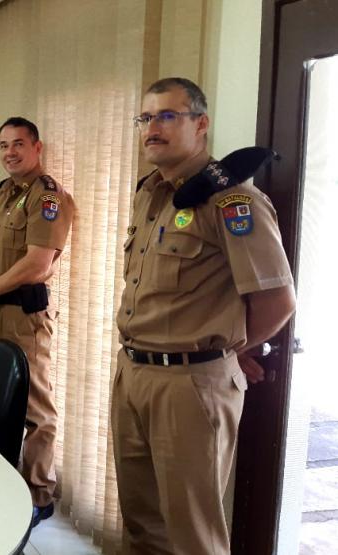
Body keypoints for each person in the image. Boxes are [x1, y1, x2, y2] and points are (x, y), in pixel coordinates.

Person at [112, 77, 296, 554]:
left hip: (190, 387)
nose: (152, 127)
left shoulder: (233, 202)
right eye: (145, 117)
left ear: (200, 124)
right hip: (133, 372)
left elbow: (277, 301)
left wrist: (228, 351)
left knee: (193, 535)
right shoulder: (151, 193)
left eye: (166, 116)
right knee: (141, 525)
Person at [0, 116, 75, 527]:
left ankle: (38, 493)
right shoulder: (6, 193)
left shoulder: (48, 196)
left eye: (18, 144)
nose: (9, 152)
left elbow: (38, 262)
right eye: (3, 145)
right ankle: (0, 481)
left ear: (37, 148)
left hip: (22, 316)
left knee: (34, 406)